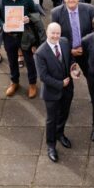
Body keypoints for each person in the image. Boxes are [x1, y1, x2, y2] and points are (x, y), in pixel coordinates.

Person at [34, 23, 79, 162]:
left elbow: (71, 60)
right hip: (52, 93)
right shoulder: (40, 53)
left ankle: (60, 134)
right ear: (47, 33)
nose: (55, 36)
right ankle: (51, 145)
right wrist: (60, 84)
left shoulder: (65, 42)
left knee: (64, 114)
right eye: (52, 33)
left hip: (68, 90)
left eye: (57, 33)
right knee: (51, 120)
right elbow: (43, 76)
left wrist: (74, 70)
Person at [0, 0, 39, 98]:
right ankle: (14, 82)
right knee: (12, 59)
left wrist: (28, 18)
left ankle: (32, 83)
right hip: (9, 36)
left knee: (29, 60)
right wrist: (2, 25)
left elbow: (36, 14)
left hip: (24, 35)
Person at [50, 0, 94, 76]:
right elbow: (54, 37)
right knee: (66, 80)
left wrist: (86, 48)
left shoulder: (89, 9)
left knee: (92, 77)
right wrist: (69, 50)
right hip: (67, 52)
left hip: (85, 50)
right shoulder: (56, 13)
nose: (71, 0)